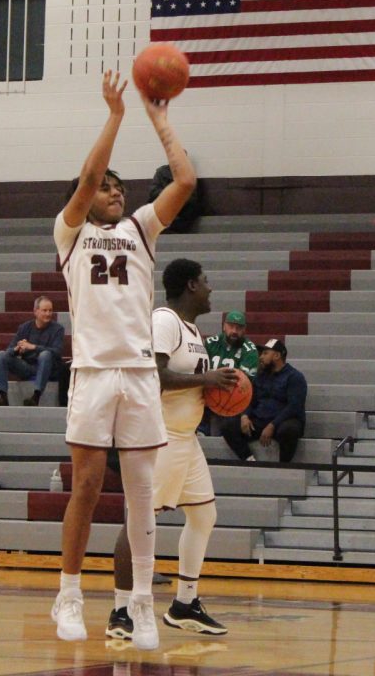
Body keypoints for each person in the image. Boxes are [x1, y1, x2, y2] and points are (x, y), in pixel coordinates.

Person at [49, 70, 197, 650]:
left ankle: (140, 605)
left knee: (141, 495)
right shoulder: (69, 233)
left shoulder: (141, 230)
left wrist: (160, 121)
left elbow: (184, 179)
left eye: (120, 188)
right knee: (85, 486)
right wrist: (115, 116)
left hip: (137, 375)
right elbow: (87, 177)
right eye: (109, 188)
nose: (117, 193)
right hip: (92, 372)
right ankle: (68, 594)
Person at [107, 258, 236, 643]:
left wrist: (212, 391)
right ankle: (121, 610)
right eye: (207, 280)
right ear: (191, 286)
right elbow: (154, 376)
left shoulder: (192, 330)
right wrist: (206, 378)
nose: (211, 288)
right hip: (159, 436)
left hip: (186, 437)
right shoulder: (164, 321)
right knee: (140, 522)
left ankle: (184, 604)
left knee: (204, 515)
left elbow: (190, 383)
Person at [221, 339, 307, 463]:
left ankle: (284, 466)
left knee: (289, 430)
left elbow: (294, 406)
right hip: (260, 420)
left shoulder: (295, 377)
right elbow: (251, 399)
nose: (261, 357)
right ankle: (248, 459)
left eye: (265, 353)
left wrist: (273, 425)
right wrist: (245, 416)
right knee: (228, 425)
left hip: (282, 422)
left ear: (277, 356)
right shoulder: (260, 377)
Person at [0, 296, 65, 407]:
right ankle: (3, 397)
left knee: (45, 354)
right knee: (0, 355)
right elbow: (9, 350)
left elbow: (57, 352)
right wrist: (17, 349)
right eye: (44, 310)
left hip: (48, 369)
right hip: (27, 367)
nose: (48, 314)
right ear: (35, 311)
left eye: (50, 310)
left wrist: (33, 347)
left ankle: (36, 397)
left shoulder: (58, 329)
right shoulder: (25, 327)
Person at [198, 310, 259, 435]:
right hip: (206, 392)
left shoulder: (250, 350)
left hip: (232, 395)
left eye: (239, 328)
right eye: (231, 326)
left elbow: (243, 384)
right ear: (224, 326)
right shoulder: (210, 343)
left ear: (245, 330)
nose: (234, 331)